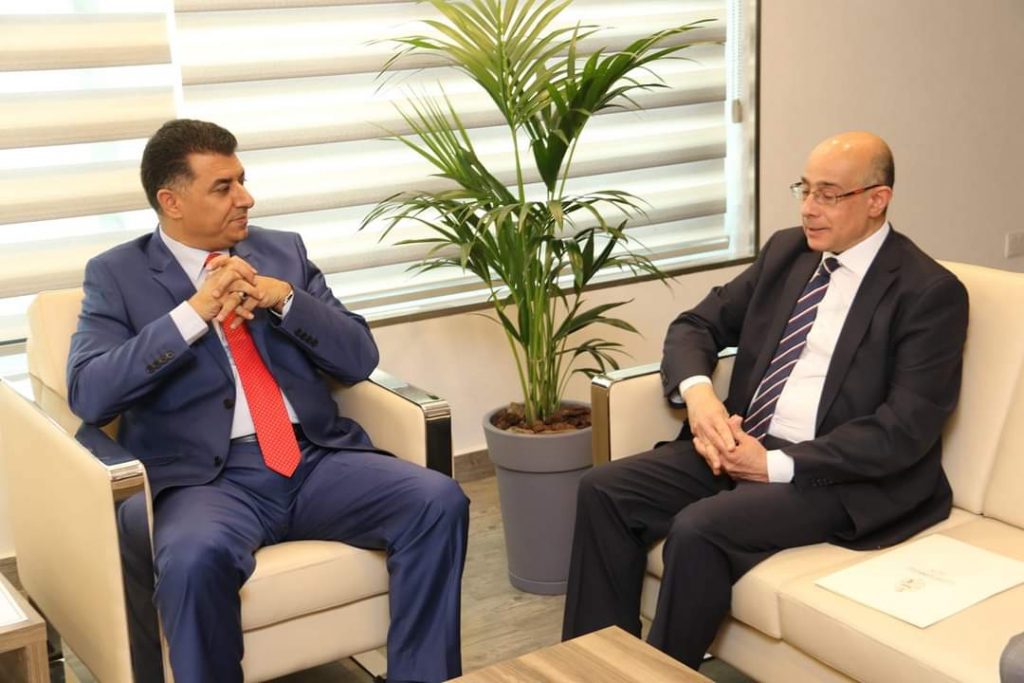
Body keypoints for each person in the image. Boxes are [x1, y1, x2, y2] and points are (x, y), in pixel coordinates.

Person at [67, 119, 469, 683]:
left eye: (242, 180)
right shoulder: (117, 275)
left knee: (437, 501)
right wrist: (193, 315)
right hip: (209, 482)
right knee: (192, 559)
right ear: (171, 201)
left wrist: (286, 300)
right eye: (223, 187)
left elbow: (358, 358)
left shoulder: (283, 252)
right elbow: (90, 394)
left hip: (314, 459)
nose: (246, 198)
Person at [561, 131, 969, 668]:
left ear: (877, 200)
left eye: (828, 194)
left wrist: (772, 465)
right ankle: (594, 670)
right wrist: (701, 398)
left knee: (700, 528)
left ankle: (661, 676)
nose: (808, 208)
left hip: (836, 476)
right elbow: (695, 326)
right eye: (804, 189)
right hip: (743, 441)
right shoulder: (787, 252)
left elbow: (903, 430)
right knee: (603, 490)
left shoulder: (928, 292)